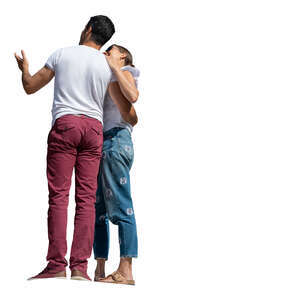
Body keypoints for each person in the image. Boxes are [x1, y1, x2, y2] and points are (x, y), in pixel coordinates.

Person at [14, 15, 118, 281]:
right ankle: (80, 268)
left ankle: (56, 265)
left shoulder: (62, 54)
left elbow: (30, 86)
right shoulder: (107, 65)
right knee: (87, 200)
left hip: (66, 124)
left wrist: (24, 69)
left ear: (89, 29)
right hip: (94, 129)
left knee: (59, 196)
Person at [93, 45, 140, 285]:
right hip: (102, 142)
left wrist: (114, 67)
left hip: (116, 139)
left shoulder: (126, 70)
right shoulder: (106, 78)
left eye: (109, 50)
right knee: (97, 207)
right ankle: (100, 267)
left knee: (122, 205)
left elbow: (132, 96)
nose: (105, 53)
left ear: (122, 55)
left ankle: (126, 270)